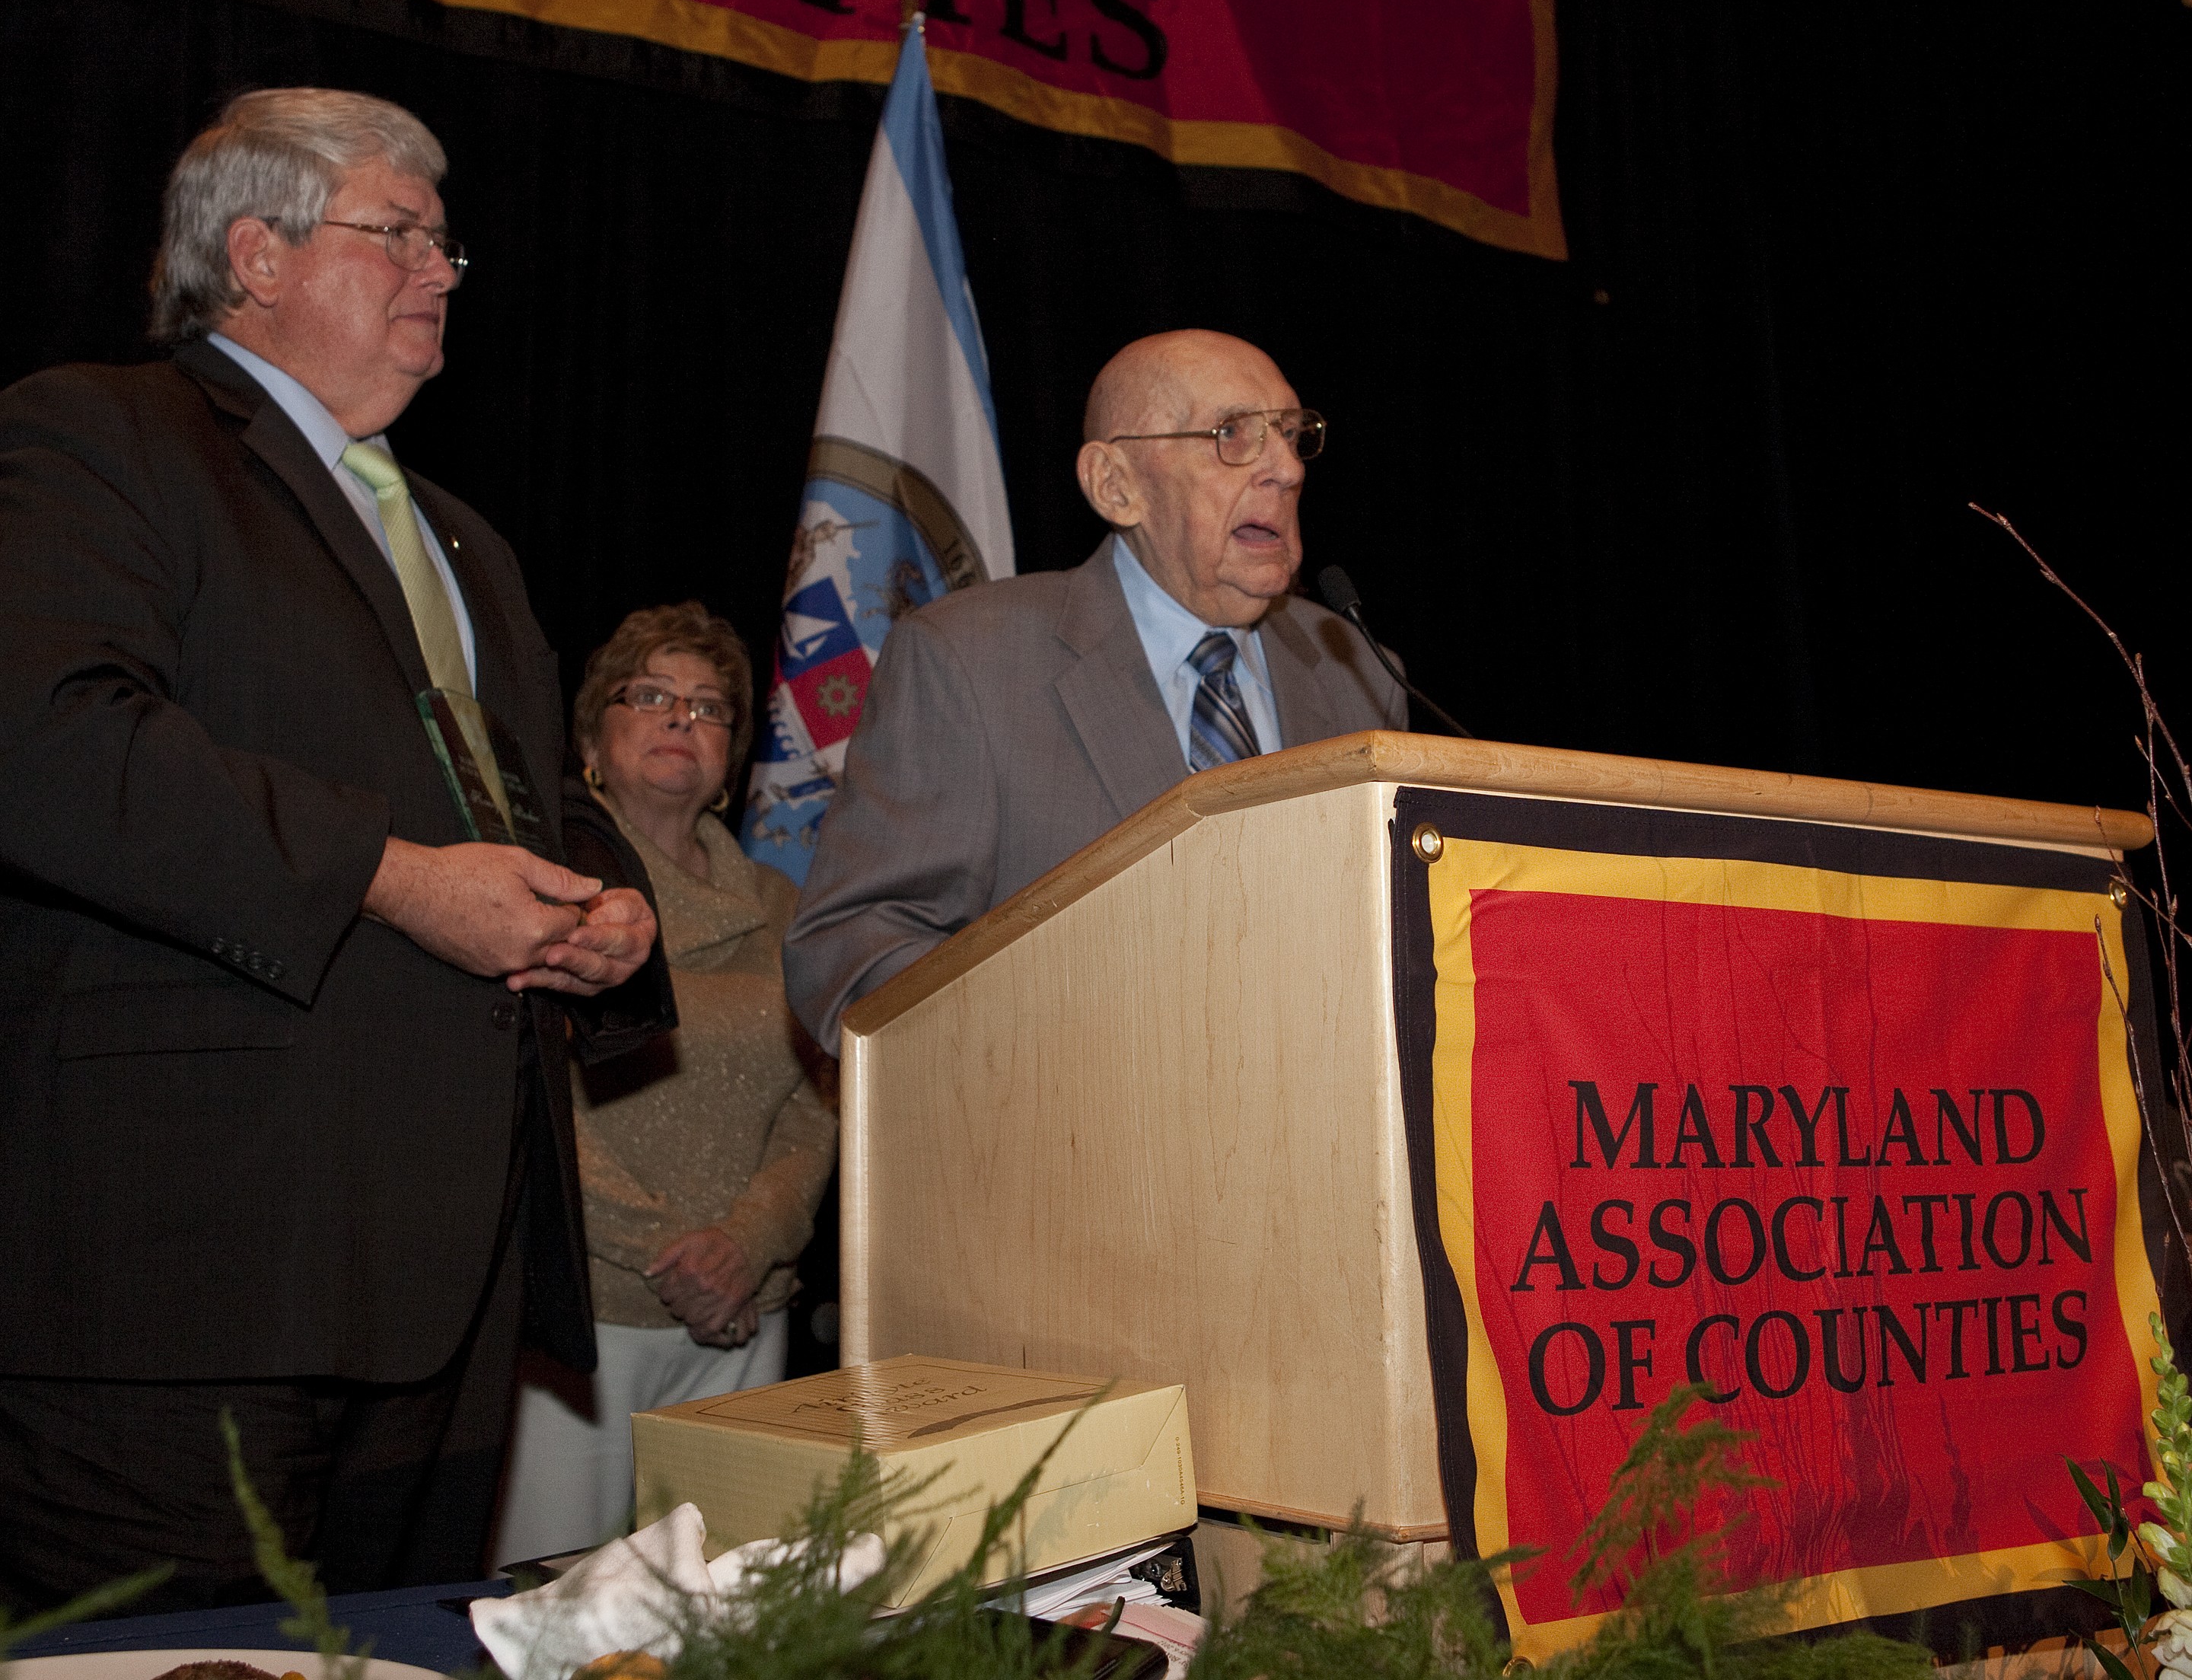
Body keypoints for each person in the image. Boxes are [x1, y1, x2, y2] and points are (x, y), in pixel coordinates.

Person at [0, 88, 671, 1611]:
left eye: (446, 243)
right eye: (402, 235)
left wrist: (605, 904)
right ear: (259, 256)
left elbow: (516, 798)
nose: (443, 271)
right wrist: (393, 877)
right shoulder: (99, 434)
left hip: (447, 1284)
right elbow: (45, 736)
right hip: (185, 1281)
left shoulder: (461, 535)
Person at [783, 328, 1409, 1054]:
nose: (1286, 470)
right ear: (1117, 485)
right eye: (1232, 433)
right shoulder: (970, 660)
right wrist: (1063, 1051)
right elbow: (853, 946)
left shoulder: (1358, 676)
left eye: (1293, 436)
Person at [492, 604, 837, 1563]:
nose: (682, 718)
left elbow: (820, 1103)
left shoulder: (782, 908)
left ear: (732, 757)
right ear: (594, 738)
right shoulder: (545, 888)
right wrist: (674, 1255)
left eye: (711, 706)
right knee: (556, 1613)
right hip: (588, 1318)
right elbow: (530, 1096)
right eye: (650, 696)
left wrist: (744, 1245)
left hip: (745, 1315)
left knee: (727, 1618)